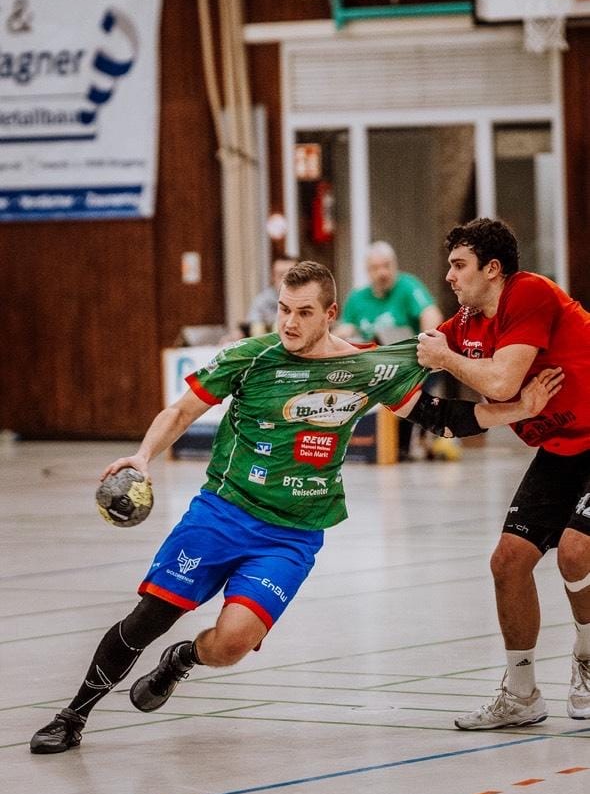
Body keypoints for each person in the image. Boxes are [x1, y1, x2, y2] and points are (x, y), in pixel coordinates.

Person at [29, 260, 562, 754]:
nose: (289, 322)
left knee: (232, 643)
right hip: (222, 513)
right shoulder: (250, 356)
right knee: (151, 617)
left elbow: (440, 417)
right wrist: (143, 456)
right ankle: (73, 716)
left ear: (330, 313)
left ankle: (183, 659)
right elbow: (182, 410)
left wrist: (518, 408)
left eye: (304, 312)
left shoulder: (363, 367)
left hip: (292, 535)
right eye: (284, 309)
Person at [416, 217, 590, 731]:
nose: (449, 276)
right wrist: (327, 356)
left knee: (577, 551)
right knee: (508, 562)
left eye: (459, 265)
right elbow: (411, 356)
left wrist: (445, 359)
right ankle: (521, 694)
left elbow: (502, 380)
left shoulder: (529, 292)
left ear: (492, 269)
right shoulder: (468, 323)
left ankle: (588, 659)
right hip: (562, 448)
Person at [335, 240, 450, 460]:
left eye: (387, 266)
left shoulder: (408, 286)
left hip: (410, 362)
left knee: (408, 385)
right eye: (376, 268)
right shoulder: (358, 298)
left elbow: (431, 314)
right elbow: (345, 329)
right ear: (368, 271)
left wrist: (427, 345)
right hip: (372, 365)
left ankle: (404, 444)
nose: (382, 273)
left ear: (395, 265)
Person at [246, 255, 299, 337]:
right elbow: (252, 326)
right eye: (281, 275)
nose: (286, 280)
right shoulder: (262, 301)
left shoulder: (307, 299)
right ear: (273, 277)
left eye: (291, 276)